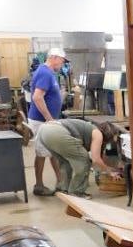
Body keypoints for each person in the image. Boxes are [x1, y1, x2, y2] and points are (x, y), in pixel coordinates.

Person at [34, 118, 122, 197]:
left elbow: (99, 158)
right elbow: (96, 159)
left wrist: (107, 168)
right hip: (56, 132)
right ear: (108, 134)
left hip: (44, 131)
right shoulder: (98, 134)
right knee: (84, 160)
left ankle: (63, 189)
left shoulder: (91, 129)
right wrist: (110, 171)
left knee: (65, 162)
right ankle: (77, 192)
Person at [28, 47, 67, 196]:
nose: (62, 65)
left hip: (44, 120)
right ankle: (39, 185)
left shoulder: (48, 73)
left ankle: (60, 181)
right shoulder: (45, 73)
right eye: (62, 61)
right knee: (42, 152)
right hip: (41, 121)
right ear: (54, 58)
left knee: (52, 151)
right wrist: (49, 119)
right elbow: (37, 97)